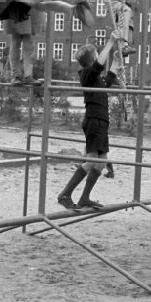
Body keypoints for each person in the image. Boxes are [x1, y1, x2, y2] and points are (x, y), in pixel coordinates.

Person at [56, 41, 122, 210]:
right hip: (94, 120)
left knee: (101, 162)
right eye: (96, 54)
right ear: (92, 58)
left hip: (101, 121)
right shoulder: (86, 74)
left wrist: (115, 60)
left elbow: (108, 80)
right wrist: (110, 43)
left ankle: (85, 197)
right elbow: (99, 66)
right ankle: (65, 194)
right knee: (92, 159)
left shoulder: (96, 78)